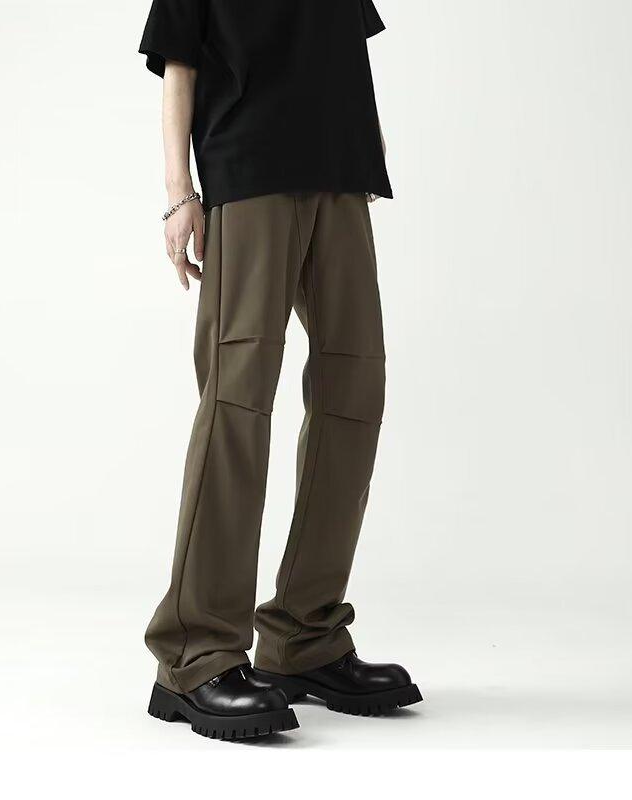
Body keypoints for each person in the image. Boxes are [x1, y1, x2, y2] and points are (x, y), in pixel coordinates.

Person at [139, 0, 422, 740]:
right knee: (238, 398)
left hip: (340, 173)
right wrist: (179, 194)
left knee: (355, 387)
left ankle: (306, 635)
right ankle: (195, 652)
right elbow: (179, 66)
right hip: (250, 169)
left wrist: (367, 153)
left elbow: (345, 55)